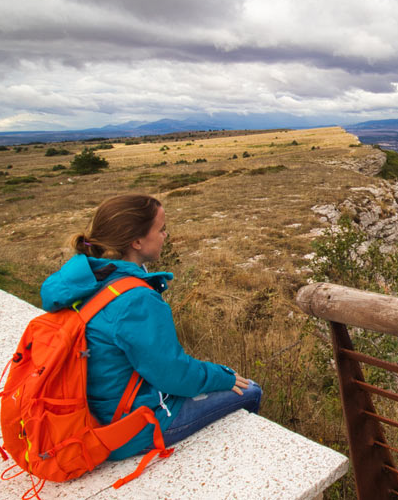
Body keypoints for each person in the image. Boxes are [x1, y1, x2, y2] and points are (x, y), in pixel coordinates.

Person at [40, 193, 261, 460]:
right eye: (161, 229)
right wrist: (222, 375)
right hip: (123, 427)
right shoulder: (136, 298)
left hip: (89, 408)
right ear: (136, 241)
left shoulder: (85, 278)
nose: (165, 236)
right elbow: (173, 375)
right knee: (250, 391)